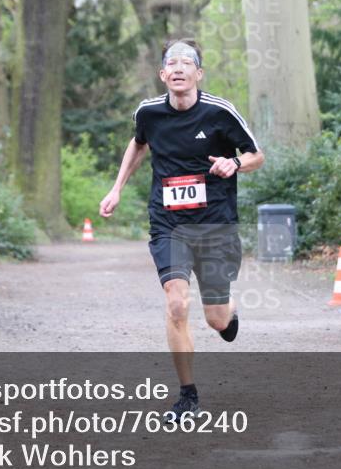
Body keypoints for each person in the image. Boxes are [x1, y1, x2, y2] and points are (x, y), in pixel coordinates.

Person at [99, 38, 265, 421]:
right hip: (168, 224)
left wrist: (235, 164)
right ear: (162, 75)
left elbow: (257, 155)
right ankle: (187, 395)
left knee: (216, 319)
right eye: (170, 63)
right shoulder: (149, 113)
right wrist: (116, 188)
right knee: (176, 303)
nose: (177, 68)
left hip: (215, 225)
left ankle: (228, 313)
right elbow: (138, 144)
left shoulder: (220, 112)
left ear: (198, 73)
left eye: (186, 62)